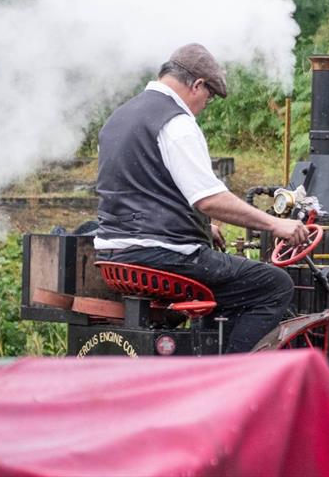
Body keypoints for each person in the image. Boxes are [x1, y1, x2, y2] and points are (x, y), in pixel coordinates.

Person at [94, 43, 309, 353]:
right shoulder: (176, 123)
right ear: (196, 85)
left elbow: (139, 188)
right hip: (161, 256)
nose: (202, 108)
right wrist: (275, 224)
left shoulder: (119, 116)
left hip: (114, 254)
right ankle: (230, 377)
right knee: (274, 286)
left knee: (228, 284)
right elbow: (209, 200)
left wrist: (199, 227)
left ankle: (205, 353)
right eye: (206, 100)